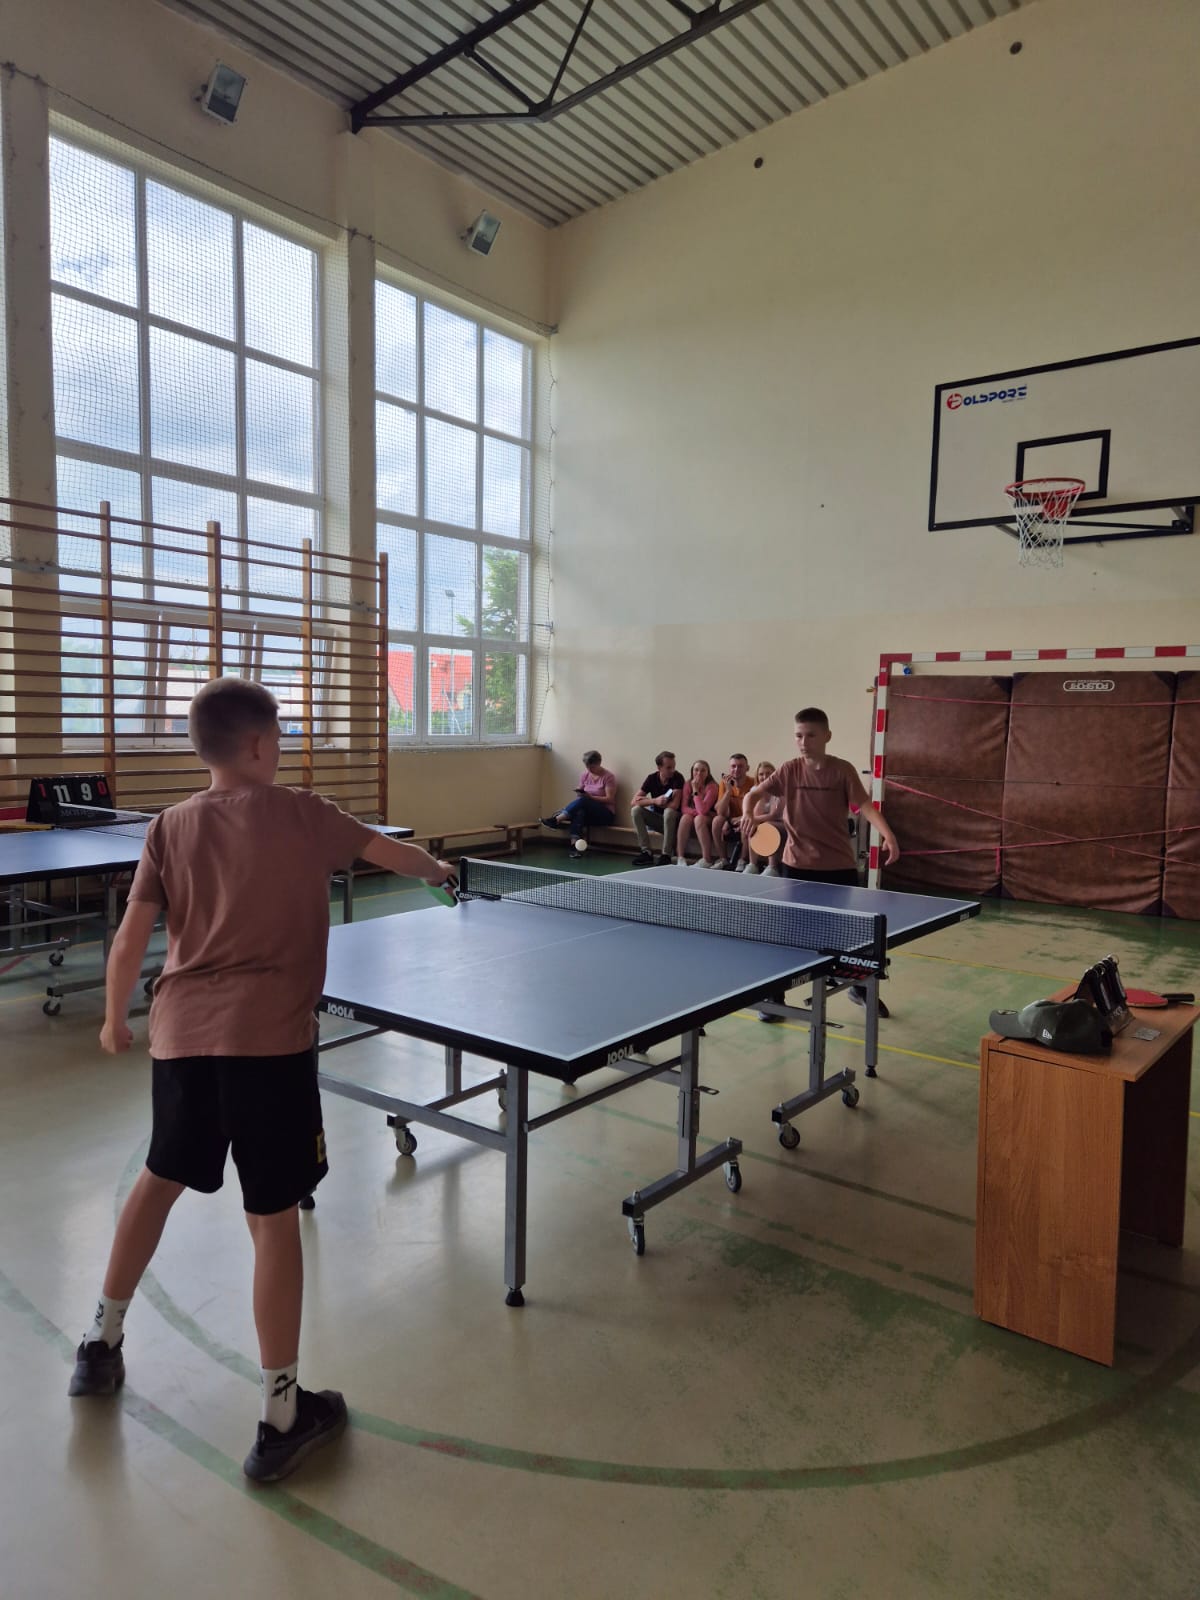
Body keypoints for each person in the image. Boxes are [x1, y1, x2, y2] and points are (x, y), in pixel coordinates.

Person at [68, 678, 455, 1485]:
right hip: (269, 1045)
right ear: (255, 745)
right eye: (278, 735)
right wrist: (438, 870)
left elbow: (132, 934)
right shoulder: (304, 814)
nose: (281, 747)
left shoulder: (168, 826)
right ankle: (282, 1417)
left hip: (181, 1039)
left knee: (158, 1179)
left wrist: (113, 1019)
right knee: (272, 1219)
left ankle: (99, 1344)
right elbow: (395, 855)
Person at [739, 708, 900, 1009]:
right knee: (789, 935)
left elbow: (865, 805)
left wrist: (887, 835)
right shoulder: (789, 770)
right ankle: (775, 996)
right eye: (799, 736)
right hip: (796, 867)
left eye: (811, 735)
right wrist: (748, 812)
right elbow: (753, 794)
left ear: (827, 736)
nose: (804, 742)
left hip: (838, 867)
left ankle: (858, 988)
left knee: (847, 934)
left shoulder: (842, 770)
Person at [541, 750, 617, 849]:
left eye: (592, 767)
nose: (589, 770)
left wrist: (590, 797)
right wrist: (579, 793)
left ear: (599, 763)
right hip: (588, 813)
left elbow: (609, 799)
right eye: (587, 767)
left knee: (584, 801)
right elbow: (580, 796)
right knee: (579, 811)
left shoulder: (608, 777)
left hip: (605, 814)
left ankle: (558, 819)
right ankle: (574, 846)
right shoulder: (585, 775)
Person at [630, 750, 682, 866]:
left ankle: (666, 855)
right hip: (659, 820)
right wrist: (654, 801)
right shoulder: (651, 778)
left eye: (673, 767)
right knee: (636, 810)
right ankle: (646, 852)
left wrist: (649, 802)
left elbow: (674, 805)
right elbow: (634, 801)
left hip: (674, 823)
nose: (672, 770)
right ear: (659, 768)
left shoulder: (678, 778)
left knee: (669, 812)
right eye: (668, 768)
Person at [711, 752, 755, 869]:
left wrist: (740, 819)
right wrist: (728, 791)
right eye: (733, 766)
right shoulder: (724, 783)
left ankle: (742, 860)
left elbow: (756, 810)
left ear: (747, 768)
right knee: (716, 821)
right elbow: (720, 812)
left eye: (740, 766)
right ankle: (723, 859)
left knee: (746, 823)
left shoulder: (754, 783)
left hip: (747, 818)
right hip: (731, 820)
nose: (736, 769)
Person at [742, 760, 784, 876]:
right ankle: (752, 864)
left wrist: (754, 819)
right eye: (761, 774)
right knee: (752, 825)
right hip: (764, 821)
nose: (764, 777)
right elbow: (756, 814)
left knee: (768, 825)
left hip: (782, 822)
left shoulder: (780, 790)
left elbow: (774, 815)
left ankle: (772, 867)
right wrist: (761, 794)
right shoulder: (755, 790)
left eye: (768, 773)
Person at [676, 758, 719, 867]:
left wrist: (695, 790)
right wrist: (696, 812)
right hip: (699, 815)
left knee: (699, 819)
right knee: (685, 817)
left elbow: (703, 810)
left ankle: (707, 859)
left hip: (711, 817)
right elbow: (684, 808)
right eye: (696, 770)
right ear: (692, 771)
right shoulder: (687, 784)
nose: (699, 773)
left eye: (703, 770)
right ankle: (680, 857)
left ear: (708, 773)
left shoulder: (712, 786)